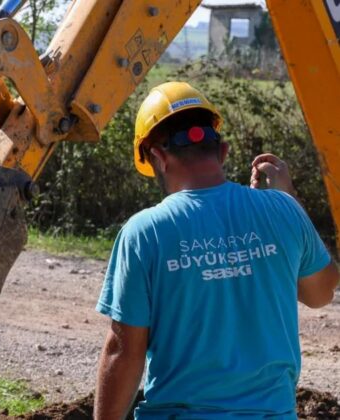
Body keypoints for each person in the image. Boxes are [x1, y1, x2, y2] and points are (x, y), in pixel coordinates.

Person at [93, 81, 339, 419]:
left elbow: (124, 352)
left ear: (158, 158)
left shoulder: (144, 233)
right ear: (222, 152)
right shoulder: (283, 210)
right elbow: (321, 293)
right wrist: (289, 198)